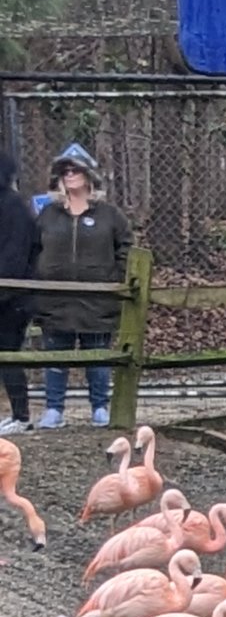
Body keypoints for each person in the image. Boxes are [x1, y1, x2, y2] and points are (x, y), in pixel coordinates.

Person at [31, 144, 127, 428]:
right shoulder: (47, 214)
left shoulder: (110, 215)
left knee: (97, 357)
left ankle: (100, 407)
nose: (69, 175)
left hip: (97, 302)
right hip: (54, 302)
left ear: (89, 175)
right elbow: (33, 250)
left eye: (75, 169)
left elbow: (126, 249)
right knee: (55, 356)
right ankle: (53, 409)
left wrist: (114, 281)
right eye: (64, 171)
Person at [0, 154, 37, 435]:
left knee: (8, 353)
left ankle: (21, 415)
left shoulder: (14, 207)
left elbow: (14, 258)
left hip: (12, 298)